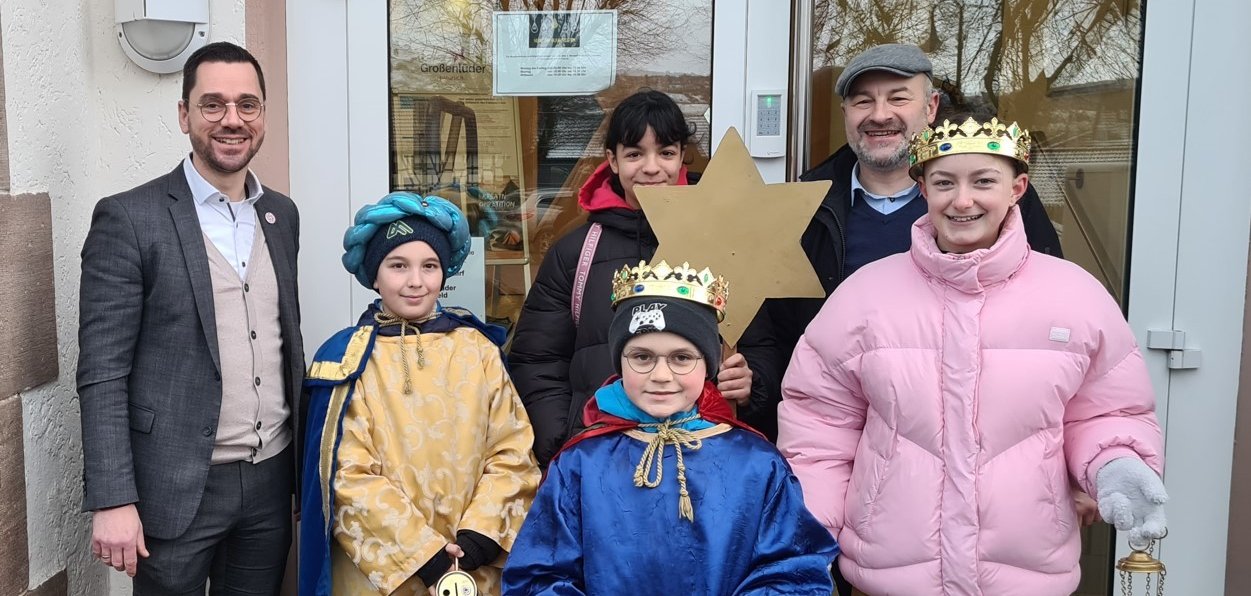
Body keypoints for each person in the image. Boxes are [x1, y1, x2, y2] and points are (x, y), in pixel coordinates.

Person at [777, 115, 1168, 595]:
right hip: (891, 576)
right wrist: (805, 535)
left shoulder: (1076, 297)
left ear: (1017, 188)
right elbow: (819, 429)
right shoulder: (865, 296)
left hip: (1027, 574)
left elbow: (1109, 410)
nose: (962, 200)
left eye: (984, 181)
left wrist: (1114, 463)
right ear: (923, 190)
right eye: (944, 183)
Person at [736, 43, 1062, 441]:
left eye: (898, 98)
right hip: (842, 436)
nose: (879, 115)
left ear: (931, 107)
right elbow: (778, 336)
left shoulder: (994, 207)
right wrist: (758, 383)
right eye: (862, 102)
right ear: (845, 115)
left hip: (980, 435)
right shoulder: (802, 209)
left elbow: (1045, 321)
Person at [76, 42, 302, 592]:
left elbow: (281, 341)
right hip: (174, 486)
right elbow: (102, 370)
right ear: (185, 115)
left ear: (264, 116)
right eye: (213, 104)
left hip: (271, 480)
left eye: (248, 105)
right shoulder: (129, 218)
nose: (232, 120)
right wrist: (112, 497)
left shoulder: (282, 214)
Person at [502, 260, 838, 594]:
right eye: (642, 357)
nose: (661, 376)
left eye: (681, 358)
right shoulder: (581, 464)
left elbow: (792, 569)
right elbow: (540, 575)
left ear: (709, 363)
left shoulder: (755, 462)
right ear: (620, 360)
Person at [299, 192, 540, 596]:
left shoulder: (477, 350)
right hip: (386, 575)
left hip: (471, 566)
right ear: (375, 275)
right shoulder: (349, 360)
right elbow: (347, 474)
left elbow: (512, 450)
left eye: (429, 266)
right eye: (398, 266)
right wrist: (422, 555)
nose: (415, 281)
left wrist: (478, 538)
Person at [509, 89, 755, 468]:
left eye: (666, 152)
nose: (652, 167)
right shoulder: (575, 254)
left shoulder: (726, 245)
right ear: (612, 160)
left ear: (681, 159)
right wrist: (564, 439)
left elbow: (762, 343)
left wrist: (753, 383)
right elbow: (537, 359)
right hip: (596, 455)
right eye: (635, 153)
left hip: (704, 455)